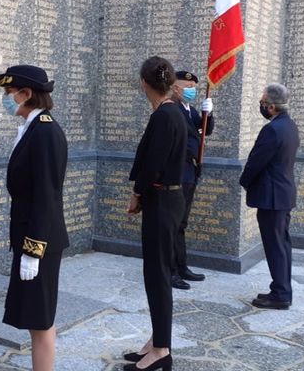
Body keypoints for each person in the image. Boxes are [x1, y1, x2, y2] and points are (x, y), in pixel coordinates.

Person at [0, 65, 69, 371]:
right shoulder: (31, 128)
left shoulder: (46, 132)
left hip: (40, 242)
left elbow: (46, 196)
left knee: (41, 320)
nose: (6, 100)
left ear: (26, 94)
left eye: (9, 94)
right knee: (36, 319)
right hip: (30, 236)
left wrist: (32, 251)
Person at [123, 56, 186, 371]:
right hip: (167, 200)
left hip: (161, 201)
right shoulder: (171, 112)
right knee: (156, 273)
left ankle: (161, 351)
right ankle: (157, 341)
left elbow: (152, 164)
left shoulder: (164, 116)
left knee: (158, 275)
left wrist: (137, 194)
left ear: (144, 83)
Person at [239, 83, 299, 310]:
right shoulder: (289, 125)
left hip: (272, 197)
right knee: (281, 245)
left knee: (275, 246)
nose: (261, 106)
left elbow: (257, 160)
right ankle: (281, 289)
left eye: (263, 102)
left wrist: (244, 180)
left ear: (272, 107)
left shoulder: (272, 129)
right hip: (282, 195)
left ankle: (281, 294)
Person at [170, 71, 215, 290]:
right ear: (176, 88)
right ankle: (170, 272)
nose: (191, 90)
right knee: (173, 224)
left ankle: (182, 266)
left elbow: (207, 131)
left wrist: (210, 114)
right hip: (179, 173)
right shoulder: (173, 110)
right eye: (187, 85)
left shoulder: (191, 110)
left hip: (190, 173)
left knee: (182, 224)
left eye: (193, 86)